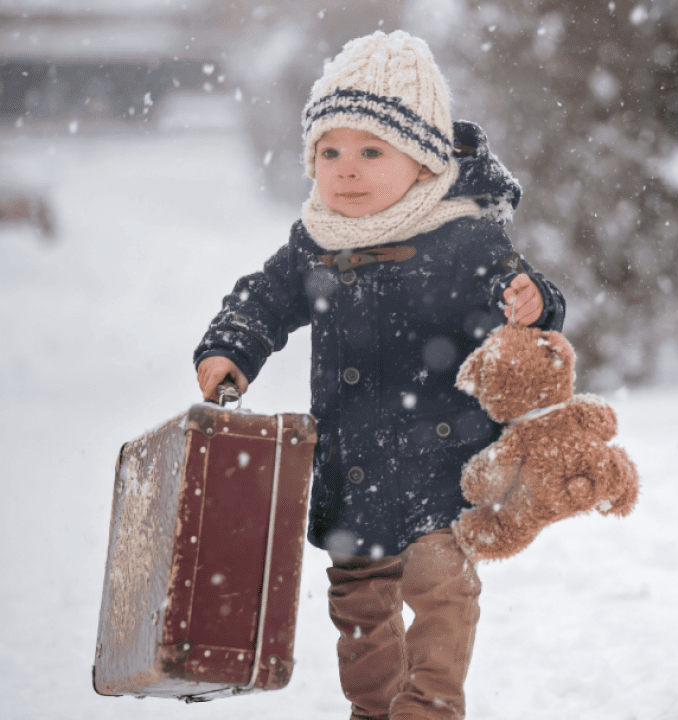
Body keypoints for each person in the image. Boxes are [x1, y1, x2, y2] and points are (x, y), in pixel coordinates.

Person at [193, 30, 565, 720]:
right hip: (351, 470)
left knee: (440, 589)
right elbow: (264, 297)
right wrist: (232, 346)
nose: (347, 170)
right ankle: (375, 709)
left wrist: (531, 302)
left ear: (422, 162)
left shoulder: (463, 238)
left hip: (439, 461)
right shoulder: (318, 239)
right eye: (329, 152)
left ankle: (430, 705)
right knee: (360, 608)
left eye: (371, 152)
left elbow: (522, 295)